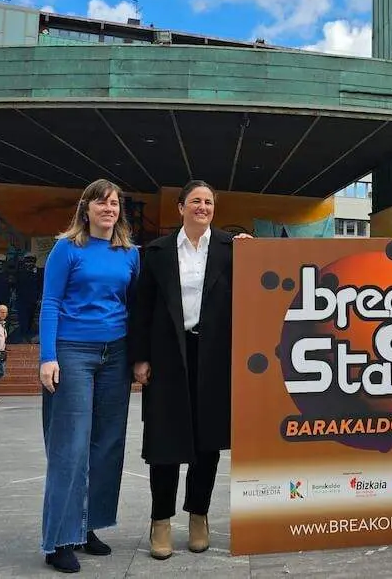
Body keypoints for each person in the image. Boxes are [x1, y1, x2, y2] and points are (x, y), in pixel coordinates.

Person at [132, 180, 249, 561]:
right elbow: (142, 308)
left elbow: (260, 284)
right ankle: (160, 522)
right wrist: (141, 357)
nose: (202, 206)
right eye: (195, 201)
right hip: (168, 353)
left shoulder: (232, 248)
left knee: (207, 444)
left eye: (208, 202)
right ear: (180, 207)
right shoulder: (158, 251)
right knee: (164, 444)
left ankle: (198, 515)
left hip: (215, 355)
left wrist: (256, 249)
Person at [37, 179, 140, 574]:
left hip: (116, 353)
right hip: (73, 352)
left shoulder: (129, 253)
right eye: (101, 203)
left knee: (108, 443)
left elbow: (135, 303)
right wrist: (48, 357)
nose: (109, 208)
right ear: (86, 209)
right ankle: (59, 539)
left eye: (114, 203)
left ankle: (88, 528)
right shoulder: (67, 248)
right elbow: (50, 302)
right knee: (71, 446)